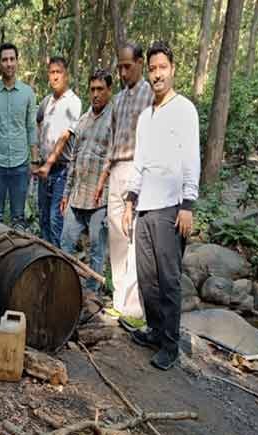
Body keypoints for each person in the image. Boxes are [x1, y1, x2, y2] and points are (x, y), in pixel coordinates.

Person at [122, 41, 200, 370]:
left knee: (169, 279)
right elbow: (139, 162)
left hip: (171, 207)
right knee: (146, 276)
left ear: (172, 70)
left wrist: (188, 204)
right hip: (145, 207)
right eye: (152, 69)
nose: (156, 74)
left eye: (162, 68)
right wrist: (129, 201)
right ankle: (155, 330)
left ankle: (171, 343)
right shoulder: (144, 117)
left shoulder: (185, 109)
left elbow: (191, 158)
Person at [94, 42, 154, 319]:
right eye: (119, 67)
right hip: (116, 169)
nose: (122, 72)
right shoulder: (118, 99)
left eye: (127, 66)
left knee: (132, 235)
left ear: (140, 63)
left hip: (137, 168)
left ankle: (133, 305)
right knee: (116, 236)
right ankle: (119, 298)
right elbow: (112, 140)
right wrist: (103, 177)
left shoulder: (150, 94)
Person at [59, 69, 114, 292]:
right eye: (92, 89)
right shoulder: (83, 120)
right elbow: (73, 159)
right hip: (77, 197)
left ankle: (92, 297)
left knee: (96, 252)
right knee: (65, 245)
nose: (95, 94)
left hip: (100, 200)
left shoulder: (114, 119)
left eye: (100, 89)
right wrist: (66, 194)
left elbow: (114, 160)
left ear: (110, 90)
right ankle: (65, 288)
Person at [0, 42, 39, 230]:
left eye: (12, 59)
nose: (9, 63)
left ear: (17, 62)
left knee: (18, 218)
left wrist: (34, 159)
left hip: (20, 164)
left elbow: (31, 127)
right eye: (4, 60)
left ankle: (17, 257)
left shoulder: (28, 93)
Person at [36, 56, 81, 247]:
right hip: (44, 170)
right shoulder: (46, 102)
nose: (54, 77)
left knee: (56, 220)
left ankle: (59, 267)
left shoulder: (73, 102)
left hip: (62, 170)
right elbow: (37, 123)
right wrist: (37, 157)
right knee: (43, 219)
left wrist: (48, 163)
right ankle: (45, 264)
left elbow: (65, 136)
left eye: (58, 72)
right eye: (51, 73)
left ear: (66, 75)